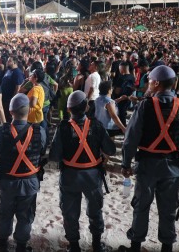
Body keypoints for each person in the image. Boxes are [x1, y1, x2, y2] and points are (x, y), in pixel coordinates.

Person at [119, 65, 179, 252]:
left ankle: (136, 245)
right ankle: (166, 246)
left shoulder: (144, 106)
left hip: (147, 166)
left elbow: (130, 139)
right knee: (168, 210)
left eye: (150, 81)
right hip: (173, 167)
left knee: (141, 207)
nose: (148, 84)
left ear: (156, 83)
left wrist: (126, 163)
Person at [49, 90, 116, 252]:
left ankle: (74, 246)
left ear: (69, 109)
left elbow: (54, 156)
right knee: (95, 211)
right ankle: (97, 245)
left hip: (70, 177)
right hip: (92, 177)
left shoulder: (63, 128)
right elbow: (111, 149)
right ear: (86, 107)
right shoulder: (97, 125)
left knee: (70, 213)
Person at [0, 93, 46, 252]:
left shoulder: (2, 131)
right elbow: (42, 150)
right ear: (29, 110)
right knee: (26, 215)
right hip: (29, 181)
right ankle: (21, 246)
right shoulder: (39, 131)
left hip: (8, 181)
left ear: (10, 112)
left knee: (4, 213)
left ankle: (3, 244)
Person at [1, 56, 25, 122]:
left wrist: (12, 100)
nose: (7, 62)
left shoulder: (17, 73)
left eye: (9, 61)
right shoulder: (9, 70)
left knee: (9, 118)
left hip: (10, 99)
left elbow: (18, 88)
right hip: (5, 98)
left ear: (14, 62)